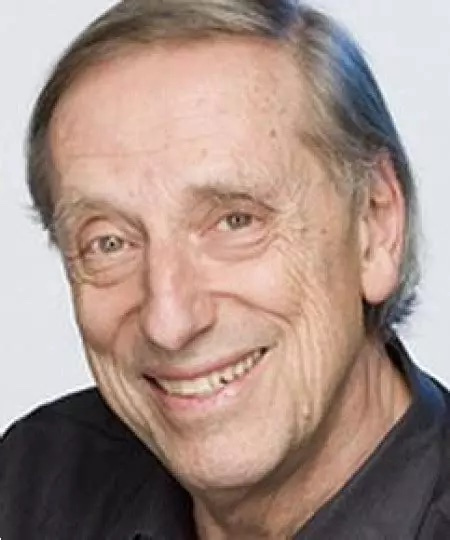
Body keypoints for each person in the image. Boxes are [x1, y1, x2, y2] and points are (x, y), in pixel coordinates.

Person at [1, 0, 449, 538]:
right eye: (110, 242)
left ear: (375, 224)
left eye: (236, 221)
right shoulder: (34, 484)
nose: (169, 323)